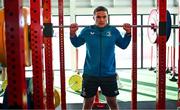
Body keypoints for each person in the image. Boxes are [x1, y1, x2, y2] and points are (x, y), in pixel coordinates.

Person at [70, 6, 131, 110]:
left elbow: (123, 45)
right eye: (98, 17)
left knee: (112, 102)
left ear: (107, 17)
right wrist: (72, 33)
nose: (101, 20)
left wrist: (128, 33)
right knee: (88, 102)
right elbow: (76, 43)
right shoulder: (87, 31)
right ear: (93, 18)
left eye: (104, 17)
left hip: (109, 74)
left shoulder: (113, 31)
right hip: (90, 74)